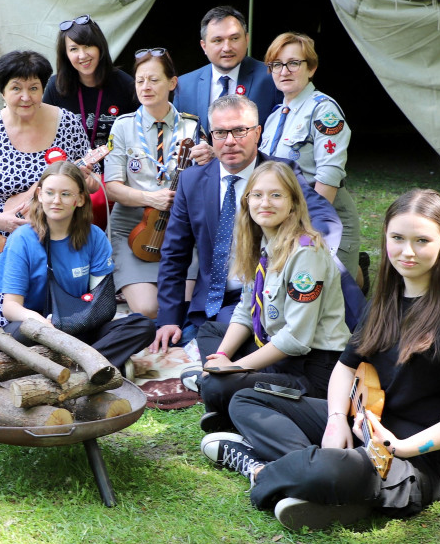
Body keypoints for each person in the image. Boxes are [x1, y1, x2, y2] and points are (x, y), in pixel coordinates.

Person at [201, 189, 440, 531]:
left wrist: (403, 446)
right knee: (247, 400)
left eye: (422, 241)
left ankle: (261, 469)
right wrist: (335, 420)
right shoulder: (385, 300)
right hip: (363, 425)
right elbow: (346, 366)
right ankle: (323, 485)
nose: (408, 251)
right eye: (398, 238)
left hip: (418, 459)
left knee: (327, 470)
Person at [152, 94, 360, 359]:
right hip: (218, 297)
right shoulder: (192, 180)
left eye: (240, 130)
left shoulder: (282, 171)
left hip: (272, 286)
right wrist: (169, 318)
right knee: (215, 336)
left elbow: (325, 220)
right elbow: (174, 253)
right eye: (220, 132)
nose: (229, 141)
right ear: (211, 136)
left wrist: (298, 254)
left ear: (258, 132)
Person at [195, 161, 350, 433]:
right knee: (209, 331)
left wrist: (233, 368)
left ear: (293, 203)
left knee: (219, 383)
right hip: (273, 350)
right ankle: (227, 390)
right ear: (247, 202)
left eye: (276, 195)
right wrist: (221, 357)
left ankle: (227, 400)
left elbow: (295, 340)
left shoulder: (305, 253)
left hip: (310, 369)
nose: (265, 202)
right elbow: (245, 310)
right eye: (257, 195)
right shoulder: (264, 243)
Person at [0, 50, 96, 326]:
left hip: (61, 237)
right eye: (16, 88)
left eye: (34, 88)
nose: (26, 97)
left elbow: (90, 184)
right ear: (2, 92)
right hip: (4, 242)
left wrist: (87, 180)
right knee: (8, 324)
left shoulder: (68, 124)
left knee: (69, 319)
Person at [0, 161, 155, 368]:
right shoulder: (22, 239)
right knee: (13, 338)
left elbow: (102, 304)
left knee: (142, 326)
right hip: (39, 330)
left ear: (79, 199)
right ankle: (96, 363)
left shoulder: (95, 236)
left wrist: (73, 325)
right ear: (40, 195)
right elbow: (10, 307)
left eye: (66, 194)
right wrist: (43, 325)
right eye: (50, 193)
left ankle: (75, 367)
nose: (56, 201)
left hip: (83, 324)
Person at [259, 32, 363, 289]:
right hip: (285, 218)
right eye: (277, 64)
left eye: (294, 63)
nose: (284, 71)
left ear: (311, 68)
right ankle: (362, 273)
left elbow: (329, 173)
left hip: (324, 219)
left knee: (330, 296)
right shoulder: (274, 117)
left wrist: (308, 230)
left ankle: (358, 276)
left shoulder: (324, 110)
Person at [104, 47, 199, 319]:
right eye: (140, 80)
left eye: (154, 80)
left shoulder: (191, 128)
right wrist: (151, 198)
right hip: (132, 228)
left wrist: (209, 160)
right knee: (147, 308)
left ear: (172, 82)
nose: (146, 87)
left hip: (177, 228)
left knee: (179, 306)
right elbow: (112, 187)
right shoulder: (122, 127)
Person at [43, 14, 136, 228]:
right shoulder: (56, 86)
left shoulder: (123, 83)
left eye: (88, 47)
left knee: (96, 202)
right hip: (68, 172)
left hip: (115, 173)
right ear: (65, 54)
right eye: (74, 49)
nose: (82, 55)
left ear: (100, 47)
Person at [173, 6, 280, 136]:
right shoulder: (184, 86)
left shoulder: (271, 76)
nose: (227, 48)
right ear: (204, 46)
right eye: (218, 40)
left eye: (234, 38)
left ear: (246, 40)